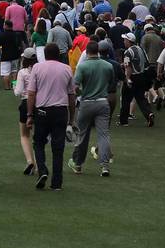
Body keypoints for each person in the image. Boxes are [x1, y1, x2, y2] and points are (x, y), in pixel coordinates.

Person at [25, 43, 76, 191]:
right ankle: (57, 182)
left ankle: (42, 170)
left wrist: (29, 114)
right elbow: (71, 95)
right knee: (58, 147)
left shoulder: (37, 68)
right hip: (60, 111)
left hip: (42, 110)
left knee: (39, 142)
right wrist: (71, 119)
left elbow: (31, 93)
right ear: (59, 55)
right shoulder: (66, 69)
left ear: (45, 55)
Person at [69, 41, 115, 178]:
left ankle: (78, 164)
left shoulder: (82, 66)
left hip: (86, 103)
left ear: (87, 52)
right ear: (98, 52)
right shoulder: (108, 66)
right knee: (103, 134)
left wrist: (80, 94)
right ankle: (105, 166)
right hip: (103, 102)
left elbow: (75, 87)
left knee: (83, 135)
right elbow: (111, 83)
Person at [12, 47, 39, 175]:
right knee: (38, 136)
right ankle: (39, 164)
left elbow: (18, 91)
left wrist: (14, 85)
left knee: (24, 135)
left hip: (25, 102)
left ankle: (30, 161)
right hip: (39, 103)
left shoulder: (22, 72)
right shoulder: (40, 70)